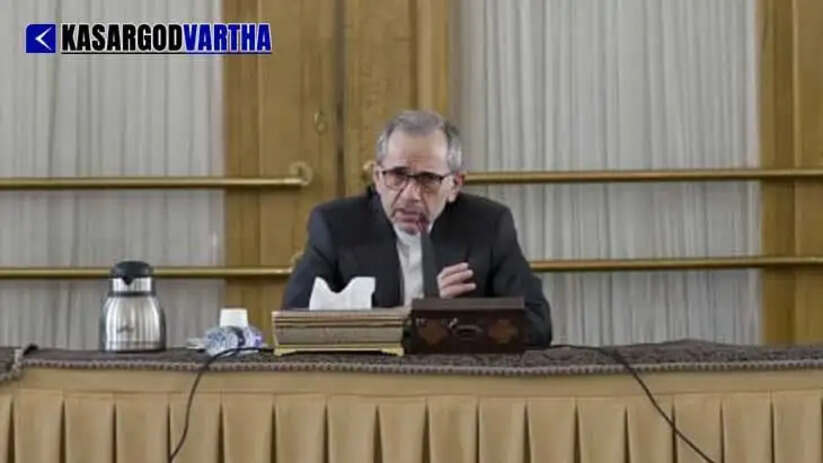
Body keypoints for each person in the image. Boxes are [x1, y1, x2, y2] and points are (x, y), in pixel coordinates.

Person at [283, 110, 552, 347]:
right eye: (398, 176)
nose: (411, 195)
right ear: (378, 178)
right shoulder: (335, 226)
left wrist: (450, 320)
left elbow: (537, 324)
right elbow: (294, 323)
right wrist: (415, 313)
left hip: (452, 381)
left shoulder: (488, 225)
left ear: (455, 185)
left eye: (428, 179)